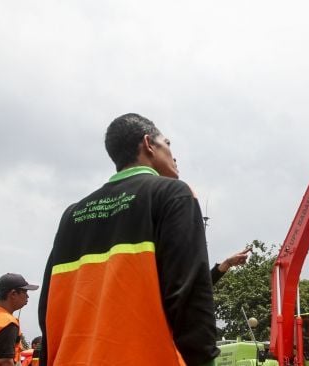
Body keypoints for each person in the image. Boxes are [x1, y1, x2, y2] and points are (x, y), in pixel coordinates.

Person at [39, 113, 219, 366]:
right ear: (148, 144)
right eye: (168, 144)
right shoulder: (172, 194)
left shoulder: (72, 214)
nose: (173, 155)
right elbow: (189, 293)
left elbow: (47, 309)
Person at [0, 273, 39, 366]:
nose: (27, 296)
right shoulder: (7, 323)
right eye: (25, 292)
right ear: (13, 294)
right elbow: (5, 362)